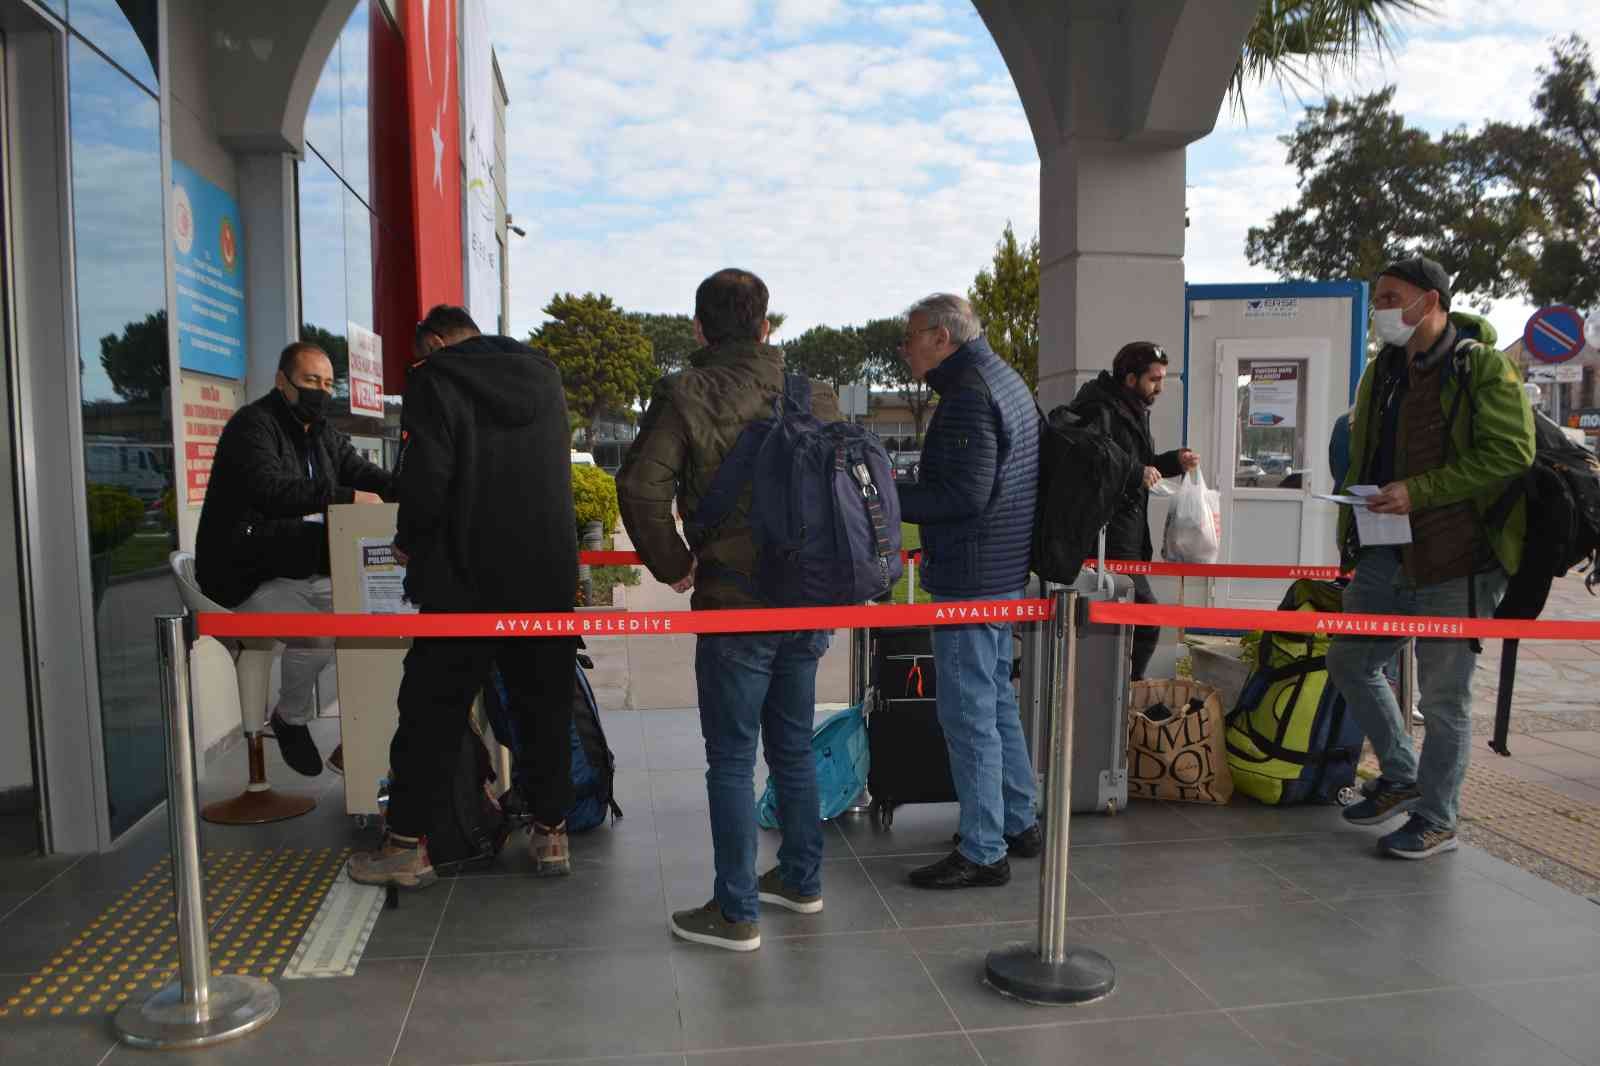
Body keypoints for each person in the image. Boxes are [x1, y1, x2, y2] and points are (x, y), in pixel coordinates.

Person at [617, 269, 841, 951]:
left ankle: (736, 910)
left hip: (734, 600)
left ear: (699, 328)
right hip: (806, 597)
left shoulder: (686, 392)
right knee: (794, 744)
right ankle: (801, 879)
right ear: (766, 325)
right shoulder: (814, 394)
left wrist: (674, 561)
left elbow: (641, 487)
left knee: (731, 757)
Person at [348, 306, 579, 888]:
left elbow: (427, 479)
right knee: (543, 707)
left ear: (434, 342)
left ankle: (405, 846)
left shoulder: (435, 380)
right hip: (543, 578)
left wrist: (406, 543)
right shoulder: (545, 377)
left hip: (463, 583)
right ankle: (552, 833)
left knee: (429, 714)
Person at [1327, 256, 1534, 860]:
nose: (1380, 309)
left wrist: (1421, 491)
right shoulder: (1382, 372)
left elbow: (1511, 453)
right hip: (1385, 551)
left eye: (1391, 296)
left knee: (1445, 700)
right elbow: (1367, 457)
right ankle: (1401, 774)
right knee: (1351, 659)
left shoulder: (1481, 367)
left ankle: (1438, 818)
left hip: (1458, 561)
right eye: (1378, 298)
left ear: (1431, 299)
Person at [896, 293, 1040, 891]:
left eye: (910, 339)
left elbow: (961, 496)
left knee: (969, 713)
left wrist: (882, 493)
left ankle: (984, 850)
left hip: (970, 578)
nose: (904, 351)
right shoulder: (1002, 378)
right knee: (997, 701)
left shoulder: (966, 395)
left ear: (939, 337)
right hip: (1002, 572)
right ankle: (1018, 818)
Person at [196, 340, 391, 776]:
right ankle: (291, 718)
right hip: (243, 574)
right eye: (309, 382)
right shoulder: (253, 426)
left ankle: (365, 736)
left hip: (290, 566)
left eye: (326, 382)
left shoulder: (321, 431)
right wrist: (345, 497)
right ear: (282, 382)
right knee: (320, 635)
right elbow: (270, 489)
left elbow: (364, 473)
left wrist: (416, 489)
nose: (319, 391)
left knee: (372, 615)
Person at [1066, 342, 1200, 681]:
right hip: (1106, 536)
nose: (1161, 387)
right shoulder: (1100, 409)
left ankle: (1119, 694)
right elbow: (1093, 460)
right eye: (1154, 379)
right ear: (1129, 379)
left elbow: (1137, 464)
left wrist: (1174, 462)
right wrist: (1134, 471)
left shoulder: (1130, 408)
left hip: (1125, 534)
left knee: (1129, 625)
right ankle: (1127, 692)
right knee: (1147, 619)